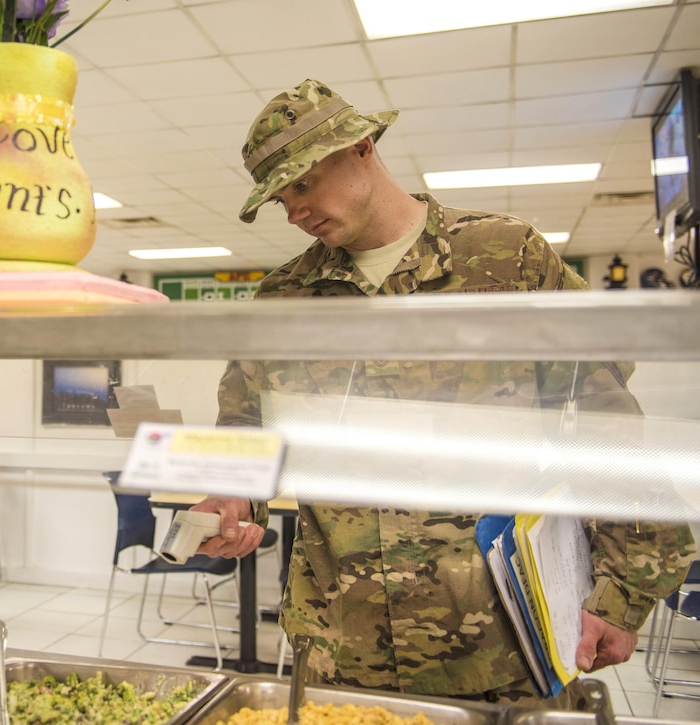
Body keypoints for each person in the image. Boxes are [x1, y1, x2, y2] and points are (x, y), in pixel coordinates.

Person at [191, 79, 697, 708]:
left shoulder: (507, 260)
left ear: (363, 147)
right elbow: (245, 429)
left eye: (301, 184)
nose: (294, 212)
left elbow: (606, 427)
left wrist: (624, 591)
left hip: (502, 642)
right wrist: (234, 496)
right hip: (338, 645)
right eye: (278, 199)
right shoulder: (283, 300)